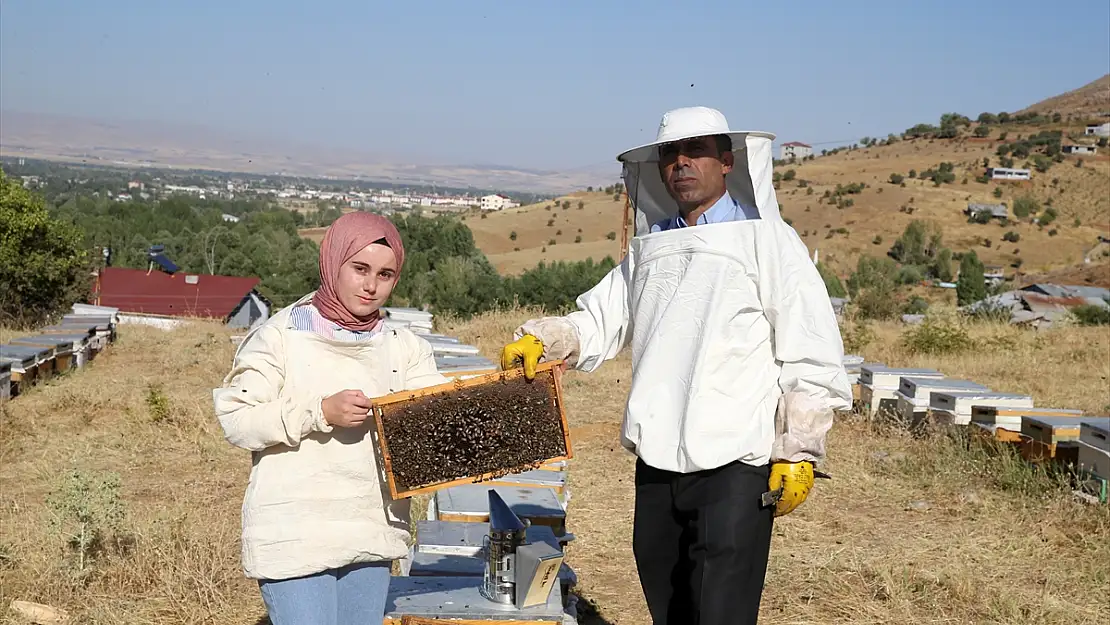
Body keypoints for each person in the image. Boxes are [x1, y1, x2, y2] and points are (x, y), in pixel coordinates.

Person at [500, 106, 852, 625]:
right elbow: (602, 317)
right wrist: (548, 339)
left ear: (727, 161)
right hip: (659, 459)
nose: (681, 163)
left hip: (737, 460)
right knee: (669, 603)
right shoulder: (653, 245)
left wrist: (799, 446)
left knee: (721, 610)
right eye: (670, 153)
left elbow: (811, 349)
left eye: (696, 151)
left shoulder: (771, 241)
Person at [213, 212, 448, 625]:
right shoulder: (280, 335)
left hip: (371, 528)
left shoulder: (404, 348)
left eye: (386, 274)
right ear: (333, 261)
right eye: (360, 269)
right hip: (295, 529)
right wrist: (319, 411)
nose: (371, 285)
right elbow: (237, 418)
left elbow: (437, 415)